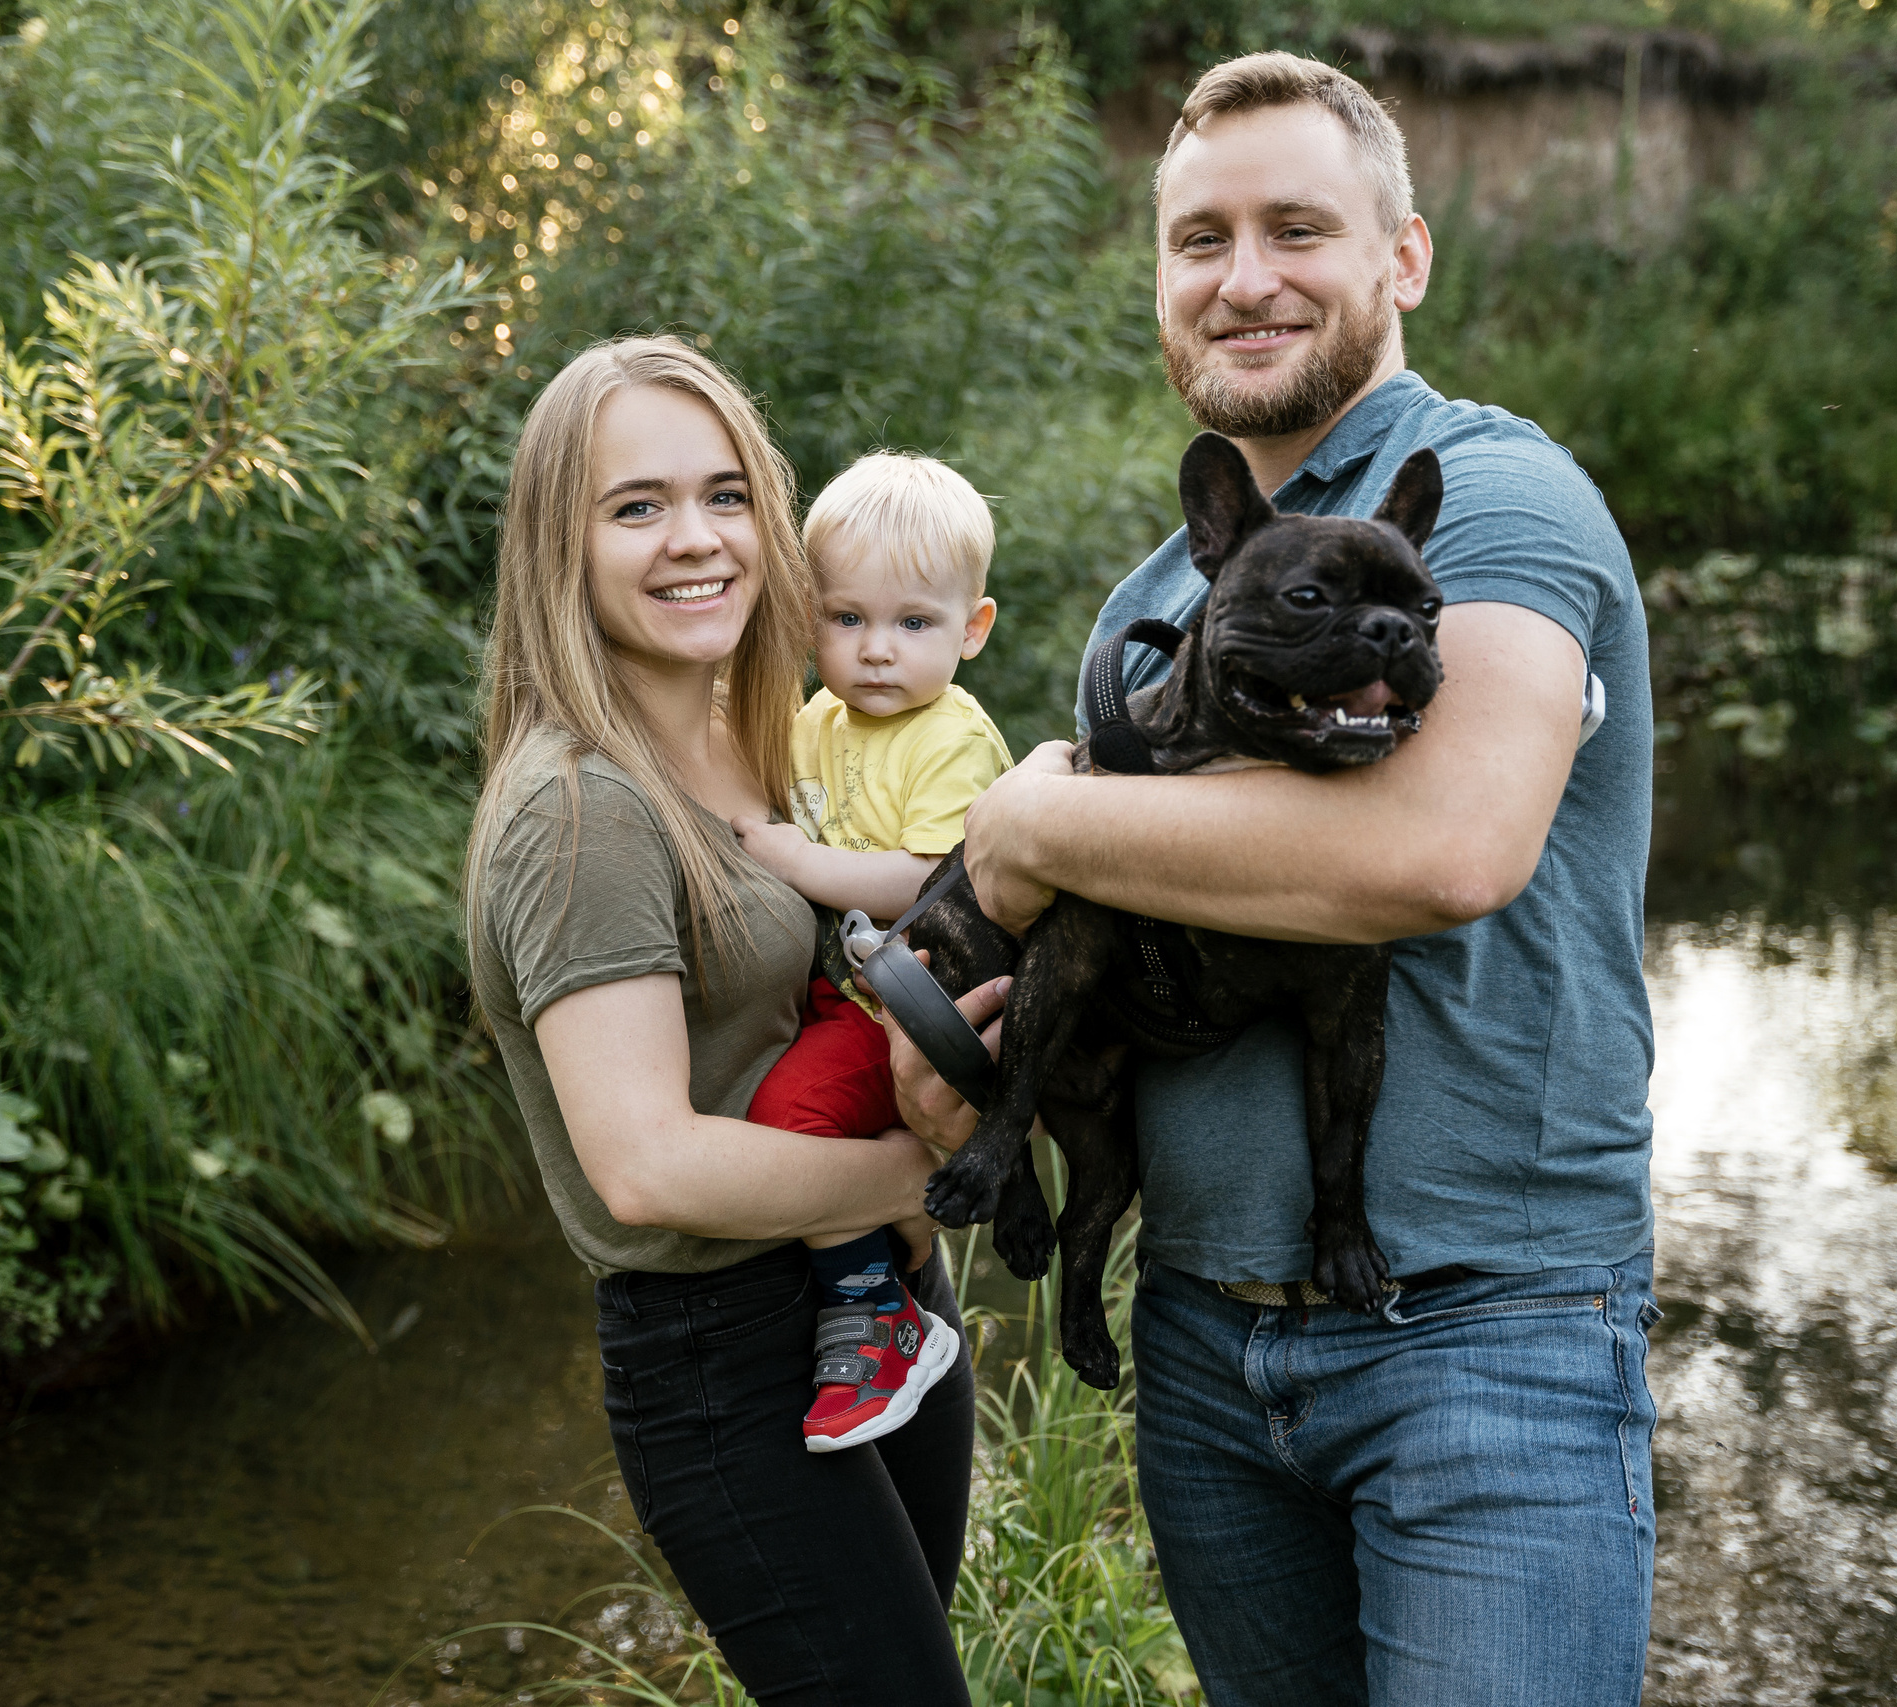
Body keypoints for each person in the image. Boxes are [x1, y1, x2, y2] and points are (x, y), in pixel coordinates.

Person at [888, 52, 1661, 1707]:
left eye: (1296, 228)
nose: (1241, 280)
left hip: (1486, 1335)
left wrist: (1028, 830)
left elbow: (1440, 852)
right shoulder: (1161, 595)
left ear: (1405, 258)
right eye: (1198, 241)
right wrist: (965, 1027)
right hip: (1204, 1345)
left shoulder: (1499, 500)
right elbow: (1118, 934)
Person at [463, 335, 975, 1706]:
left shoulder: (768, 740)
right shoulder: (581, 808)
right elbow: (648, 1164)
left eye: (726, 493)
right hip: (727, 1356)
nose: (696, 538)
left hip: (876, 1305)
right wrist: (927, 1176)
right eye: (637, 507)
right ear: (559, 547)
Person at [727, 452, 1011, 1451]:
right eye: (847, 619)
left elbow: (924, 878)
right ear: (810, 618)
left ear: (970, 630)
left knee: (789, 1115)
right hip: (844, 991)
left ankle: (874, 1314)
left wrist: (793, 858)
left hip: (912, 1002)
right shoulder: (818, 719)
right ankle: (887, 1254)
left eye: (913, 623)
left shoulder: (951, 738)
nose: (876, 650)